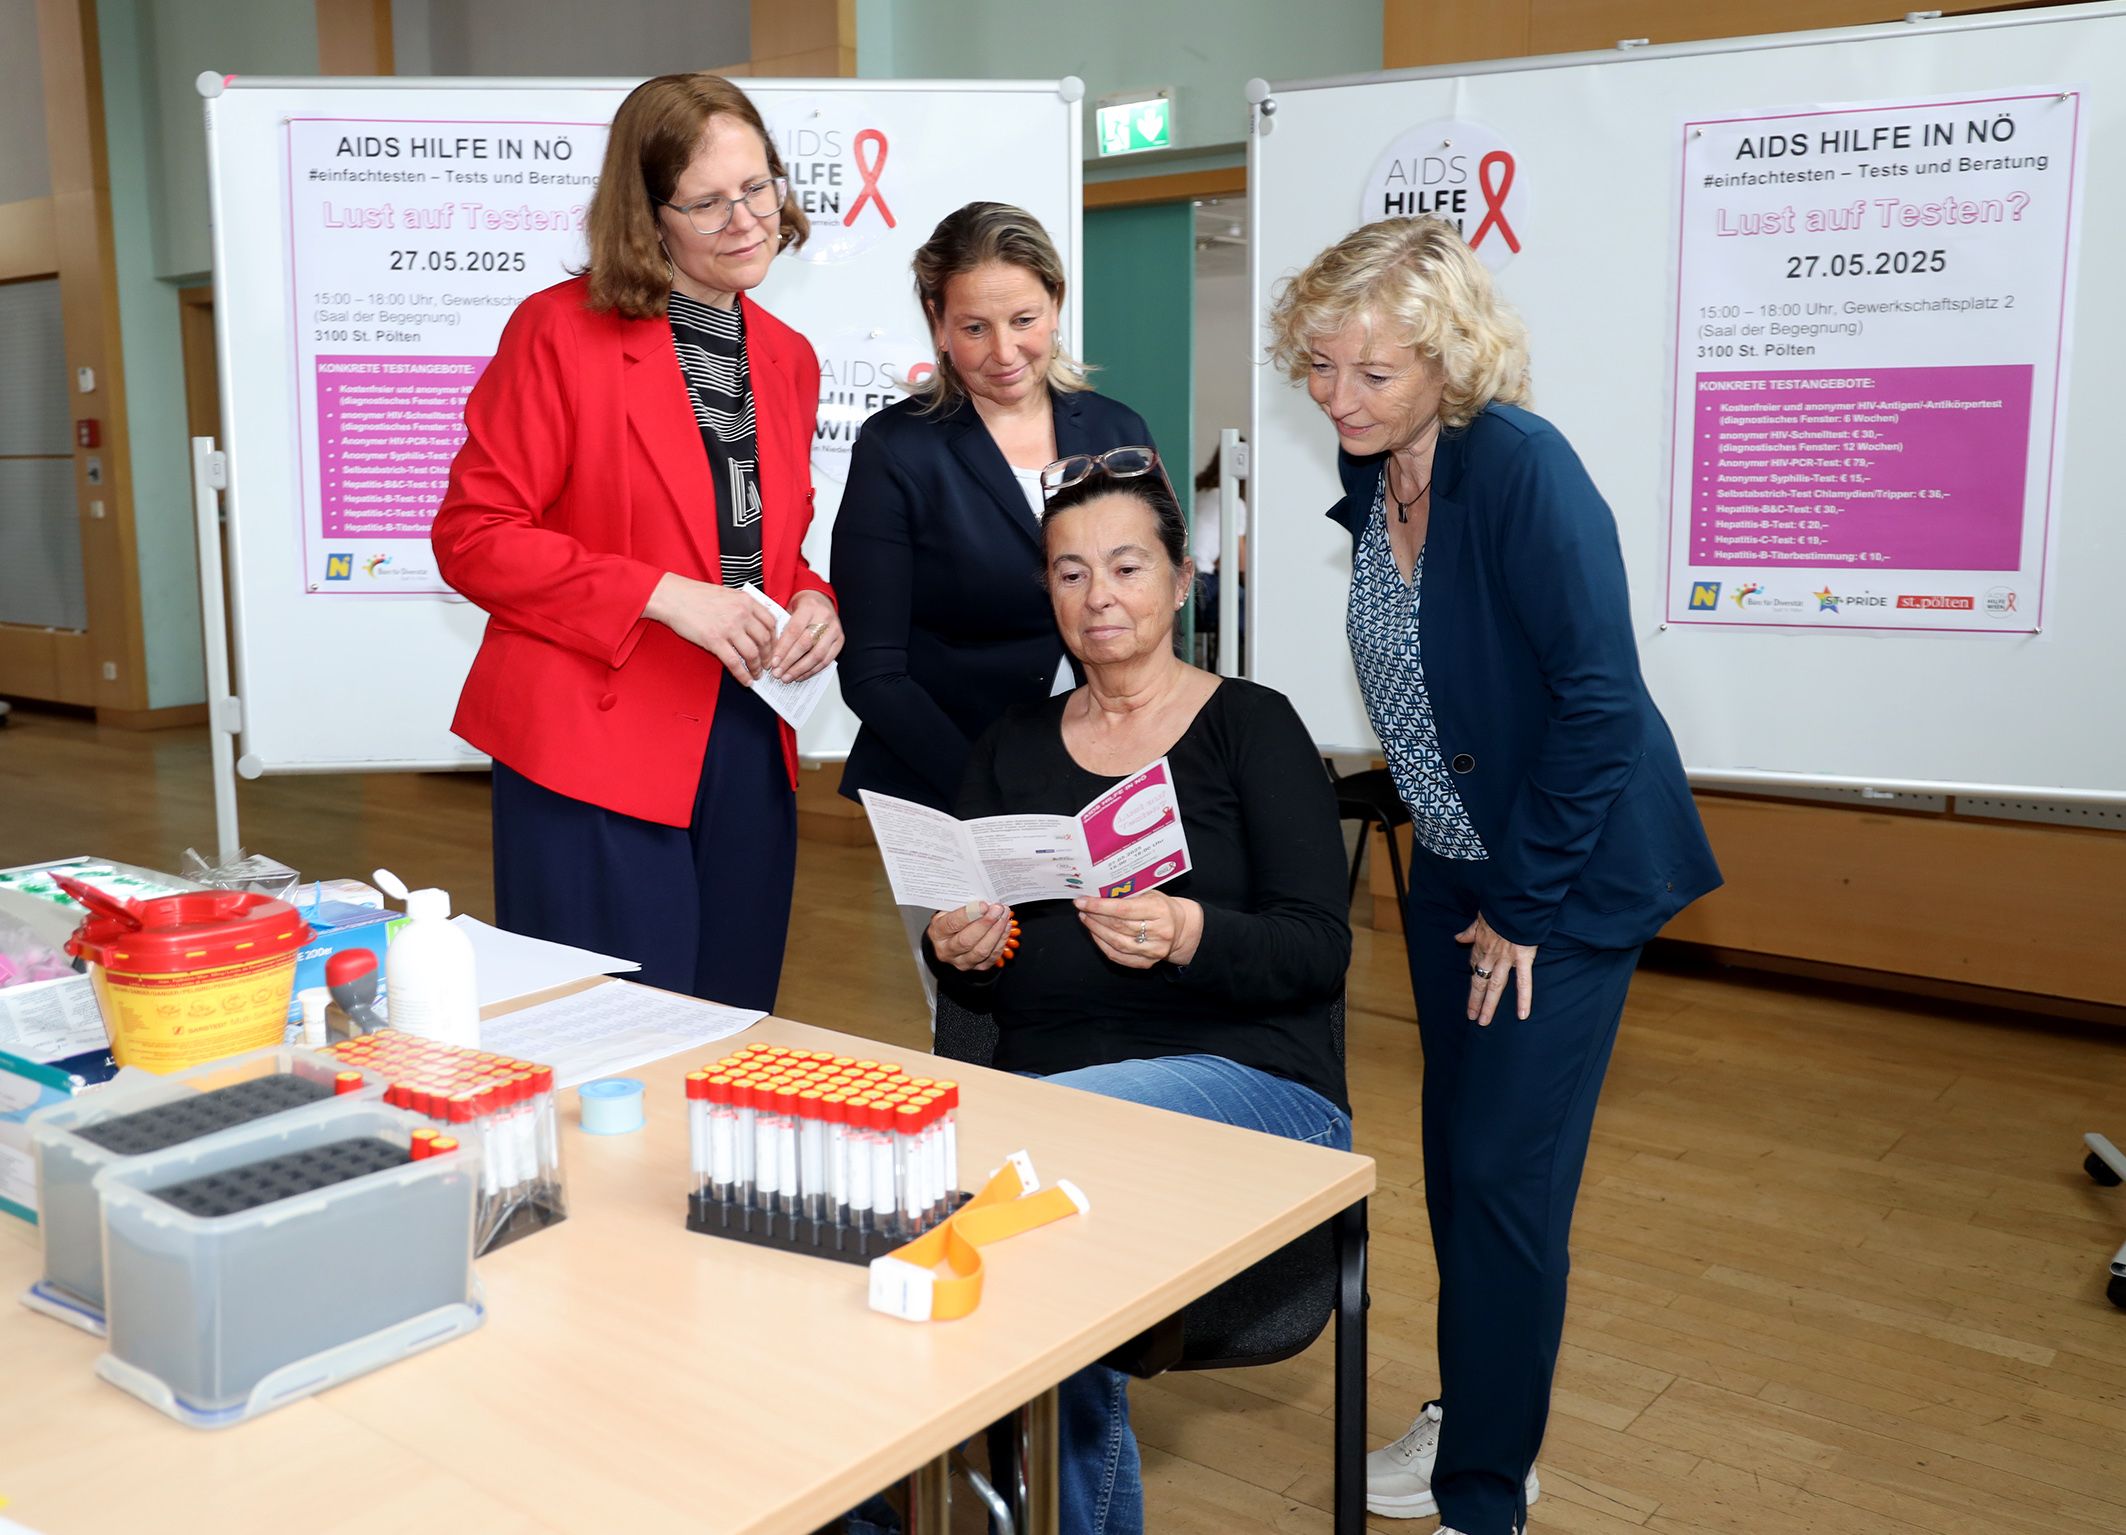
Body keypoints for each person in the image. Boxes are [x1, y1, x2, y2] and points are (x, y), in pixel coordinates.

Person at [1268, 216, 1721, 1535]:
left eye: (1374, 372)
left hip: (1558, 884)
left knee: (1506, 1182)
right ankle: (1479, 1413)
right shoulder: (1379, 477)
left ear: (1450, 362)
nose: (1338, 397)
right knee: (1460, 1167)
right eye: (1318, 365)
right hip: (1458, 869)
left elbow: (1598, 705)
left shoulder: (1518, 469)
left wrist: (1519, 907)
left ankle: (1482, 1492)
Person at [926, 451, 1351, 1535]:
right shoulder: (1009, 745)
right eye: (1068, 573)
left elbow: (1316, 949)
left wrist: (1189, 930)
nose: (1097, 595)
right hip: (1046, 1106)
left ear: (1179, 582)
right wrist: (959, 942)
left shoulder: (1251, 726)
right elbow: (962, 959)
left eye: (1124, 566)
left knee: (1038, 1208)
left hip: (1253, 1093)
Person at [432, 74, 842, 1011]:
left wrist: (814, 598)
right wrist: (660, 592)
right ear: (648, 216)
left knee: (735, 1022)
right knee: (613, 1037)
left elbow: (760, 544)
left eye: (759, 187)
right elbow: (473, 537)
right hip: (594, 739)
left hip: (746, 731)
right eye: (707, 202)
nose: (747, 220)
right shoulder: (557, 332)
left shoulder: (787, 356)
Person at [833, 202, 1157, 1011]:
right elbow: (873, 672)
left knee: (1111, 1012)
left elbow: (1150, 609)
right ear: (937, 324)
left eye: (1024, 320)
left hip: (1103, 777)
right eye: (974, 327)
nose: (1004, 352)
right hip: (946, 783)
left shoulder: (1116, 429)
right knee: (981, 1023)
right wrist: (994, 792)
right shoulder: (897, 448)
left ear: (1055, 303)